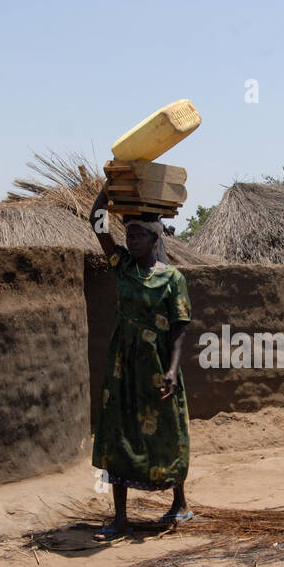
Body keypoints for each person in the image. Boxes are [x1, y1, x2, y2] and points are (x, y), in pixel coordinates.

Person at [88, 186, 193, 541]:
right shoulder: (122, 268)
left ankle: (179, 501)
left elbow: (180, 326)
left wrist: (172, 370)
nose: (130, 241)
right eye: (128, 235)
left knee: (167, 429)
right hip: (122, 365)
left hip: (157, 365)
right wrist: (107, 192)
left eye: (137, 236)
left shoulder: (172, 278)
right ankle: (120, 518)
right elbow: (98, 225)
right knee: (119, 432)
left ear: (153, 239)